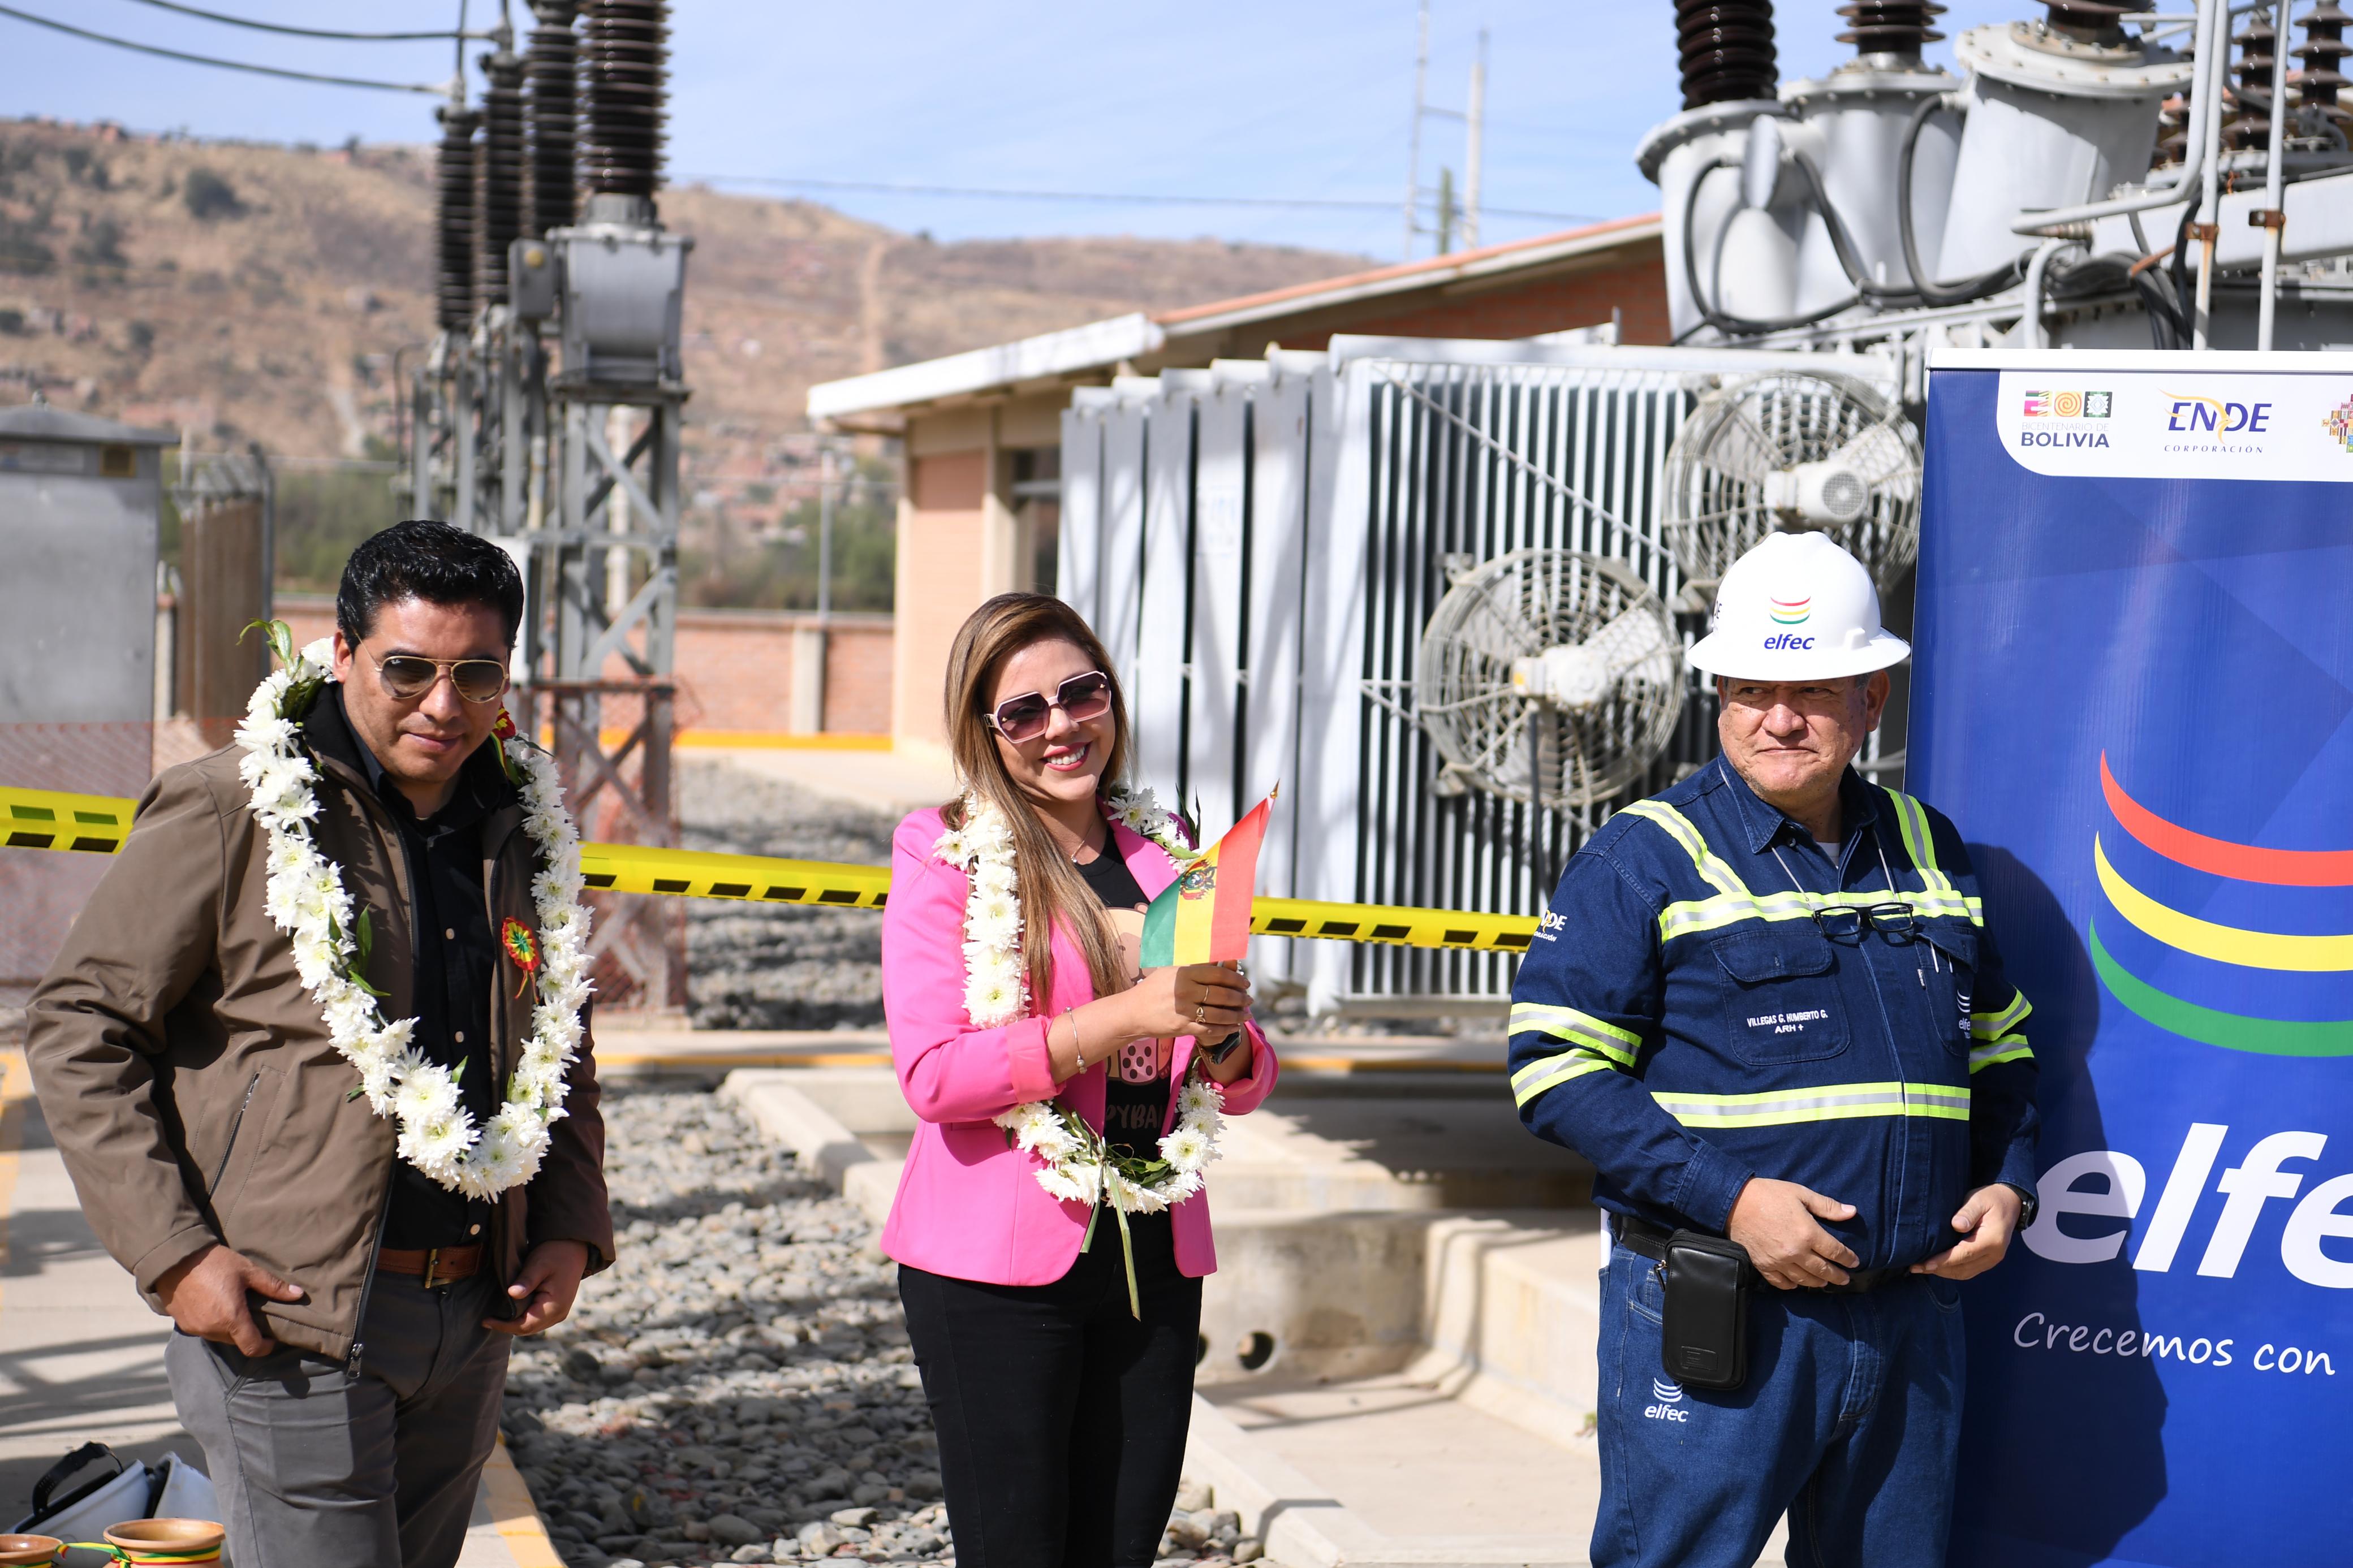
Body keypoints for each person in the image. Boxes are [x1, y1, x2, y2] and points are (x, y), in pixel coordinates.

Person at [27, 520, 613, 1568]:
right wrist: (175, 1254)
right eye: (408, 669)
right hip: (293, 1322)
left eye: (478, 675)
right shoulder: (234, 807)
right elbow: (82, 1022)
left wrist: (568, 1223)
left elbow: (559, 1033)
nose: (444, 705)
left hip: (474, 1316)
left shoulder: (521, 825)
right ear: (341, 653)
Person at [1508, 531, 2040, 1568]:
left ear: (1872, 700)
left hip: (1910, 1318)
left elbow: (2000, 1038)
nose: (1779, 719)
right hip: (1727, 1311)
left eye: (1813, 691)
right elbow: (1555, 1071)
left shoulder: (1930, 846)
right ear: (1719, 696)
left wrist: (2007, 1180)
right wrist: (1734, 1199)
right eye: (1751, 689)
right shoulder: (1644, 855)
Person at [880, 592, 1280, 1568]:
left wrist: (1226, 1041)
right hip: (995, 1269)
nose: (1061, 725)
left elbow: (1236, 1069)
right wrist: (1126, 1014)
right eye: (1024, 711)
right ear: (984, 731)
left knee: (1121, 1547)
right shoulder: (944, 851)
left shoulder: (1167, 846)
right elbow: (933, 1075)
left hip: (1152, 1252)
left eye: (1081, 692)